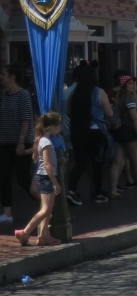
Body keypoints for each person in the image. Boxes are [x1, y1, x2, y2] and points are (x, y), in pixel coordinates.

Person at [66, 62, 114, 205]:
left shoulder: (75, 93)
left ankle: (71, 191)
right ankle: (97, 192)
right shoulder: (99, 92)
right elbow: (109, 113)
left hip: (78, 131)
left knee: (80, 162)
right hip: (95, 132)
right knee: (97, 163)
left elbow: (69, 112)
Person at [15, 113, 63, 247]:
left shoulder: (41, 139)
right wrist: (55, 182)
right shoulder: (47, 142)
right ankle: (25, 232)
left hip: (43, 176)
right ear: (53, 127)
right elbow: (47, 164)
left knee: (47, 208)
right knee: (46, 209)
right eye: (59, 125)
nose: (59, 128)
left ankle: (43, 236)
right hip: (46, 177)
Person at [0, 63, 35, 224]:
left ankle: (45, 202)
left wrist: (21, 142)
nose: (1, 77)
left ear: (12, 77)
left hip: (22, 142)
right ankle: (7, 213)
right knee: (4, 176)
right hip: (5, 142)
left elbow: (26, 120)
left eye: (3, 74)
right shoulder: (4, 96)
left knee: (22, 177)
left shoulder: (23, 95)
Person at [109, 74, 137, 198]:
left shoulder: (119, 98)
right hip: (130, 132)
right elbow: (135, 118)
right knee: (136, 162)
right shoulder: (129, 99)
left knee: (117, 162)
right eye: (129, 84)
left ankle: (113, 189)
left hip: (119, 132)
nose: (132, 86)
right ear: (124, 85)